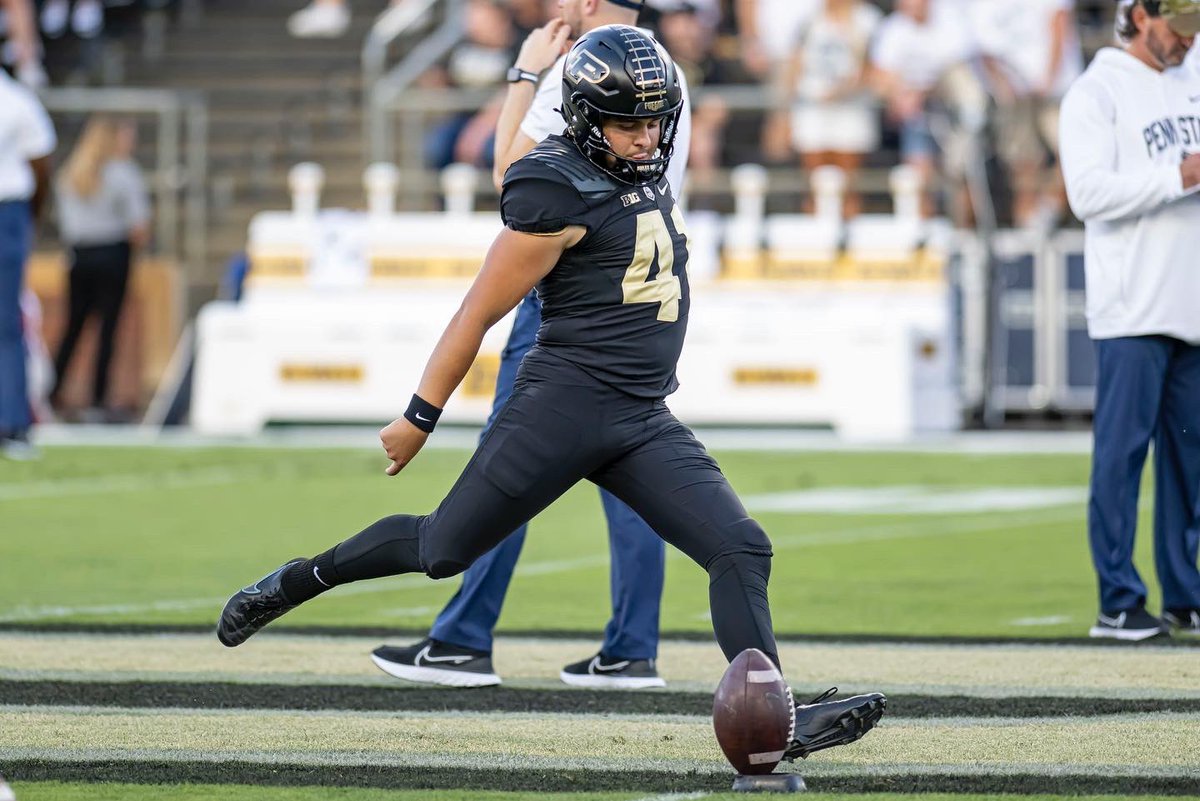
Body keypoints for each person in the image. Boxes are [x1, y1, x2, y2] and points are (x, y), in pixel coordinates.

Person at [217, 26, 887, 759]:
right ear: (587, 118)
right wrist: (419, 416)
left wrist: (540, 76)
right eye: (628, 122)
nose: (645, 137)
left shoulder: (626, 163)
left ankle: (773, 721)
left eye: (654, 120)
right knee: (443, 548)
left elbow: (537, 161)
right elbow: (477, 310)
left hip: (638, 414)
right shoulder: (556, 190)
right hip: (562, 407)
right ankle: (292, 582)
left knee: (740, 546)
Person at [369, 0, 693, 690]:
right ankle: (632, 647)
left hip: (571, 285)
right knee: (633, 468)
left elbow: (508, 176)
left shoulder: (586, 65)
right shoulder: (664, 69)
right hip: (646, 285)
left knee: (506, 464)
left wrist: (524, 74)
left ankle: (463, 637)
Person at [1059, 0, 1200, 640]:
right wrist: (1177, 176)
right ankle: (1117, 601)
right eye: (1177, 27)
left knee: (1189, 464)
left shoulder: (1188, 76)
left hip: (1188, 302)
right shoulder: (1096, 91)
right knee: (1122, 460)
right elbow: (1087, 194)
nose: (1186, 40)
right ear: (1139, 15)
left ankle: (1184, 593)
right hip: (1132, 306)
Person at [51, 115, 150, 422]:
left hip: (78, 257)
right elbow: (139, 225)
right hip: (112, 255)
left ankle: (52, 392)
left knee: (73, 327)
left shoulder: (71, 173)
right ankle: (98, 398)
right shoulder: (123, 173)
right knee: (108, 329)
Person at [969, 0, 1083, 230]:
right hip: (1018, 97)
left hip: (1060, 93)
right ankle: (1028, 229)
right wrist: (1008, 88)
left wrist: (1047, 81)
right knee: (1023, 166)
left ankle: (1051, 209)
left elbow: (1060, 24)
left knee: (1075, 154)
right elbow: (985, 51)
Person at [0, 62, 55, 459]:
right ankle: (14, 423)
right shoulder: (17, 100)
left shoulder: (17, 99)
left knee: (6, 324)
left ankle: (14, 420)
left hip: (10, 211)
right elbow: (41, 164)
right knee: (6, 325)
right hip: (10, 211)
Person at [783, 0, 882, 219]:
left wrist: (841, 91)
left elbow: (870, 66)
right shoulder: (809, 18)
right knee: (814, 186)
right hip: (812, 109)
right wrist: (786, 110)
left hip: (851, 110)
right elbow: (795, 63)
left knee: (849, 186)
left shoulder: (866, 19)